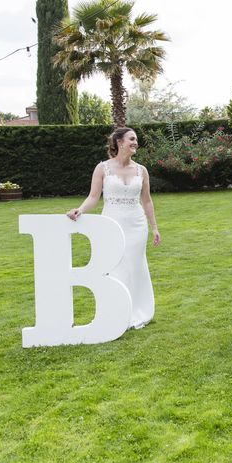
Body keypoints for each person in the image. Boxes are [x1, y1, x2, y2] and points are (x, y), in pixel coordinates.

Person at [67, 127, 160, 329]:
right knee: (115, 266)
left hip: (137, 225)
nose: (136, 143)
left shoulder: (141, 170)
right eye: (132, 139)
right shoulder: (103, 168)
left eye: (136, 140)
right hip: (112, 223)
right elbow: (93, 197)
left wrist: (154, 228)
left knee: (134, 268)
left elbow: (147, 201)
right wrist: (80, 210)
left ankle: (137, 311)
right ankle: (116, 312)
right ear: (119, 141)